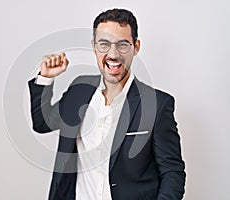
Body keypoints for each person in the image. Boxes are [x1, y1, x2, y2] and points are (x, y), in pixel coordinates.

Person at [28, 8, 186, 200]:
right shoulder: (79, 90)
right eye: (104, 44)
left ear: (136, 47)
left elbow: (172, 172)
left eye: (122, 44)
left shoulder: (157, 105)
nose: (113, 54)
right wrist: (45, 79)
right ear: (94, 46)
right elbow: (42, 123)